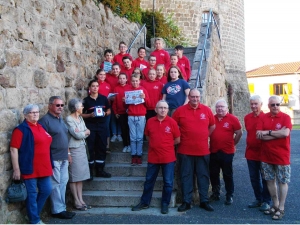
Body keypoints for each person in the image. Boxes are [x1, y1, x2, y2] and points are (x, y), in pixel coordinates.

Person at [132, 100, 180, 214]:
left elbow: (177, 139)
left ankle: (165, 204)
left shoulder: (172, 122)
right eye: (160, 108)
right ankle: (144, 202)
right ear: (156, 109)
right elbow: (148, 136)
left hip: (168, 158)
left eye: (165, 108)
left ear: (168, 110)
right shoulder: (150, 121)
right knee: (149, 181)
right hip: (153, 157)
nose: (163, 110)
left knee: (168, 182)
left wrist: (165, 145)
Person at [172, 89, 215, 212]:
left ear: (199, 97)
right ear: (189, 97)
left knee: (203, 176)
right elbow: (173, 126)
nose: (195, 99)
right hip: (185, 150)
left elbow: (212, 125)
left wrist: (205, 135)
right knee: (186, 176)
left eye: (197, 97)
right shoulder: (180, 111)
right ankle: (187, 201)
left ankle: (204, 201)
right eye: (193, 97)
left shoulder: (206, 110)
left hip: (202, 151)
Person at [10, 104, 53, 224]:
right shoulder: (21, 129)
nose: (35, 114)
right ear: (25, 115)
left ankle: (33, 215)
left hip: (44, 167)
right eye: (31, 112)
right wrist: (16, 169)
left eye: (37, 112)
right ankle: (35, 220)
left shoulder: (41, 126)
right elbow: (14, 149)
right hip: (30, 168)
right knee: (32, 195)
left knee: (47, 190)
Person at [39, 96, 76, 219]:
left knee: (63, 183)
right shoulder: (45, 121)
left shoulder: (60, 119)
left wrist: (68, 154)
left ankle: (62, 208)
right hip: (53, 158)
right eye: (57, 105)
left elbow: (64, 138)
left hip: (64, 157)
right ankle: (57, 210)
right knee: (55, 184)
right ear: (50, 106)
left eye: (62, 105)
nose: (60, 107)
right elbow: (42, 141)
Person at [256, 95, 292, 220]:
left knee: (282, 182)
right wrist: (277, 134)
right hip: (266, 157)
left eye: (277, 104)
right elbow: (259, 135)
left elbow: (285, 133)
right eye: (273, 105)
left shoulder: (285, 117)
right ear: (268, 106)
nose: (275, 106)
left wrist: (268, 132)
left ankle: (281, 207)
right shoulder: (263, 117)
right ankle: (275, 205)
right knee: (270, 181)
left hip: (282, 157)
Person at [209, 99, 242, 205]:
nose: (220, 109)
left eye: (222, 107)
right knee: (214, 174)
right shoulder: (212, 119)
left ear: (227, 108)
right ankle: (216, 193)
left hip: (227, 152)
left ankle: (229, 195)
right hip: (213, 151)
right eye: (218, 107)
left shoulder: (233, 119)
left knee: (227, 174)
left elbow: (239, 133)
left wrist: (233, 144)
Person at [244, 95, 271, 211]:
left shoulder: (266, 117)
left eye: (256, 104)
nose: (254, 106)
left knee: (265, 178)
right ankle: (258, 198)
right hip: (250, 153)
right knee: (254, 178)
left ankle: (266, 201)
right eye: (252, 104)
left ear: (261, 104)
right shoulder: (247, 117)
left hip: (264, 153)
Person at [82, 80, 111, 179]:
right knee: (90, 148)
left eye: (97, 86)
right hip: (91, 126)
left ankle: (100, 170)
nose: (95, 88)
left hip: (102, 126)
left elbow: (109, 109)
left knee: (102, 147)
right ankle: (89, 171)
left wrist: (105, 113)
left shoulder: (103, 99)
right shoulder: (85, 101)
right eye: (93, 86)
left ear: (99, 87)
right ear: (89, 88)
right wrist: (90, 115)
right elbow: (81, 114)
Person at [66, 98, 91, 211]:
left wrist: (83, 133)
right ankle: (76, 200)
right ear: (76, 108)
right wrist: (83, 133)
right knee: (74, 176)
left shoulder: (80, 118)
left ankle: (81, 199)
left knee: (80, 176)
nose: (83, 108)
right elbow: (78, 135)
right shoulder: (69, 119)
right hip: (74, 149)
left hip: (81, 148)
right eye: (81, 106)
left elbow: (86, 131)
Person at [125, 73, 149, 165]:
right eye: (133, 81)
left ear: (139, 81)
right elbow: (126, 105)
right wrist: (125, 100)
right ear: (130, 81)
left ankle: (139, 155)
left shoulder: (143, 90)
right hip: (131, 115)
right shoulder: (128, 90)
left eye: (136, 81)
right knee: (132, 137)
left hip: (141, 115)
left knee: (139, 137)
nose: (135, 82)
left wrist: (145, 98)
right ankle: (133, 155)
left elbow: (149, 104)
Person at [113, 73, 131, 153]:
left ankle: (130, 145)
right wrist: (116, 112)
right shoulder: (116, 88)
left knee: (129, 129)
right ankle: (125, 145)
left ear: (127, 79)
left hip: (129, 112)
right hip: (120, 112)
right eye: (120, 78)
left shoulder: (130, 87)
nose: (122, 80)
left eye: (124, 78)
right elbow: (114, 102)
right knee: (123, 130)